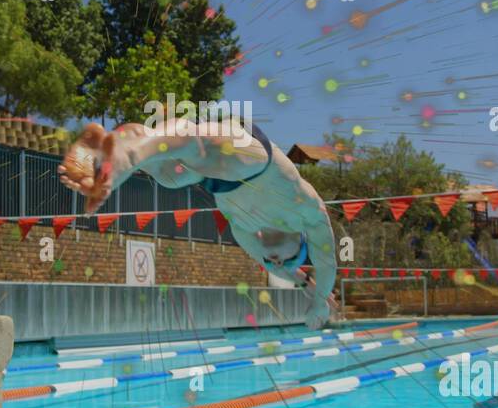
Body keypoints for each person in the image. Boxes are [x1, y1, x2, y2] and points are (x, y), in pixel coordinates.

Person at [58, 116, 337, 328]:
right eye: (286, 261)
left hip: (214, 179)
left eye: (272, 263)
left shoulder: (246, 231)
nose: (275, 263)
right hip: (256, 157)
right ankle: (125, 156)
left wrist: (307, 287)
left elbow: (282, 268)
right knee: (198, 147)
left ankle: (106, 148)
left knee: (168, 175)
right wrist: (321, 299)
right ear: (301, 243)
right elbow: (326, 263)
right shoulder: (309, 213)